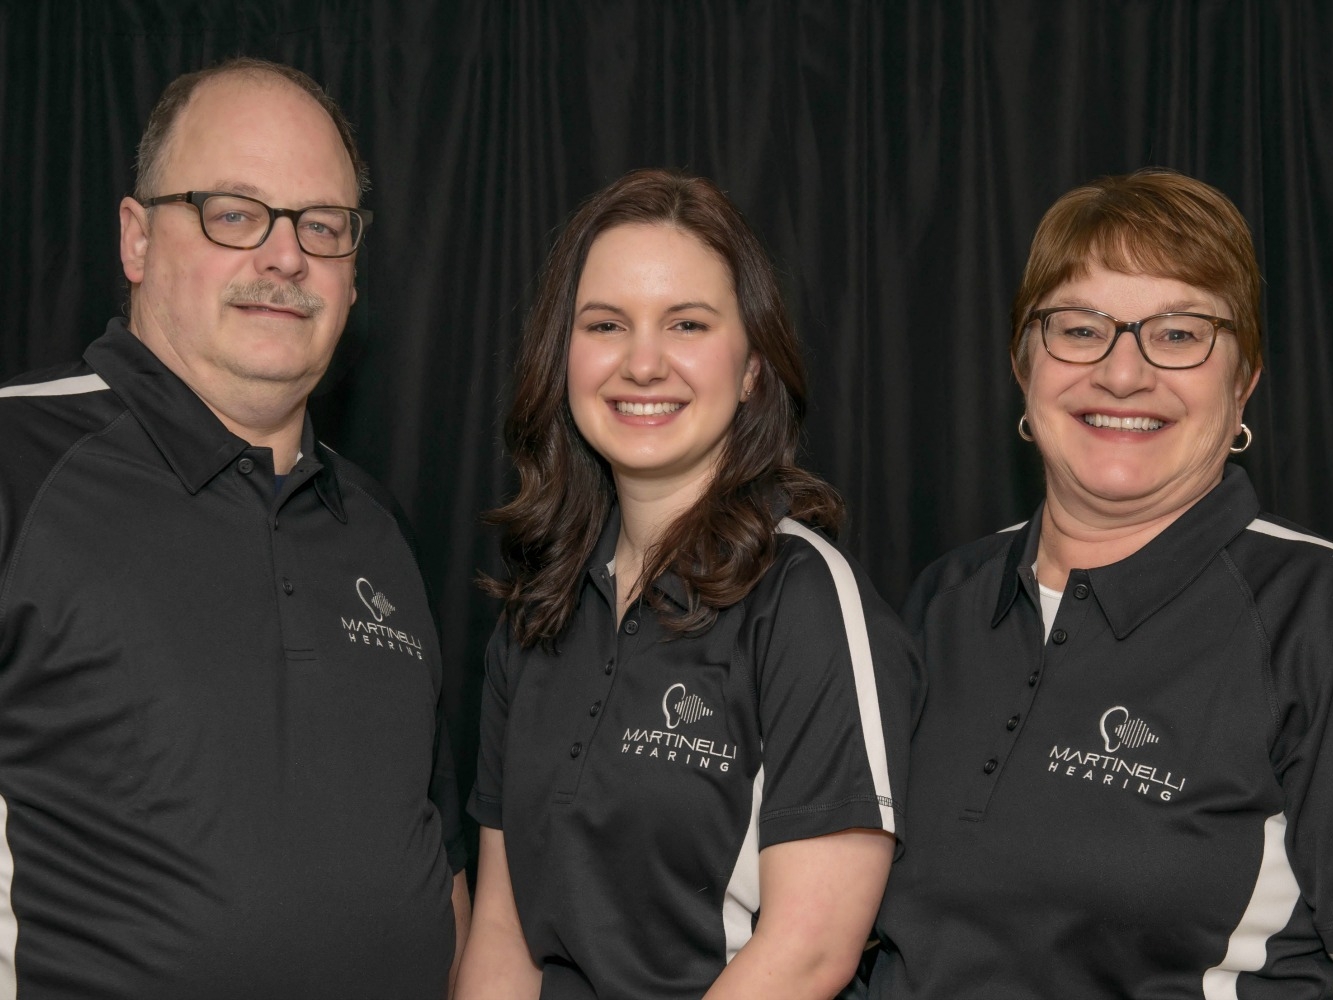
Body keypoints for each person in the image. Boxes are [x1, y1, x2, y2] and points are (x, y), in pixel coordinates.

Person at [0, 57, 468, 998]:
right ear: (136, 238)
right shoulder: (17, 463)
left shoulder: (376, 530)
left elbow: (435, 859)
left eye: (322, 226)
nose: (284, 256)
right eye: (233, 212)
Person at [871, 168, 1333, 997]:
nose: (1122, 375)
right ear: (1024, 363)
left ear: (1244, 381)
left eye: (1180, 334)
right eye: (1079, 330)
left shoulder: (1310, 613)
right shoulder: (943, 601)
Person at [455, 168, 916, 999]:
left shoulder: (804, 599)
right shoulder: (538, 608)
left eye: (687, 324)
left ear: (750, 368)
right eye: (605, 324)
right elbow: (501, 929)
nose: (642, 362)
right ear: (562, 357)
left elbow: (809, 955)